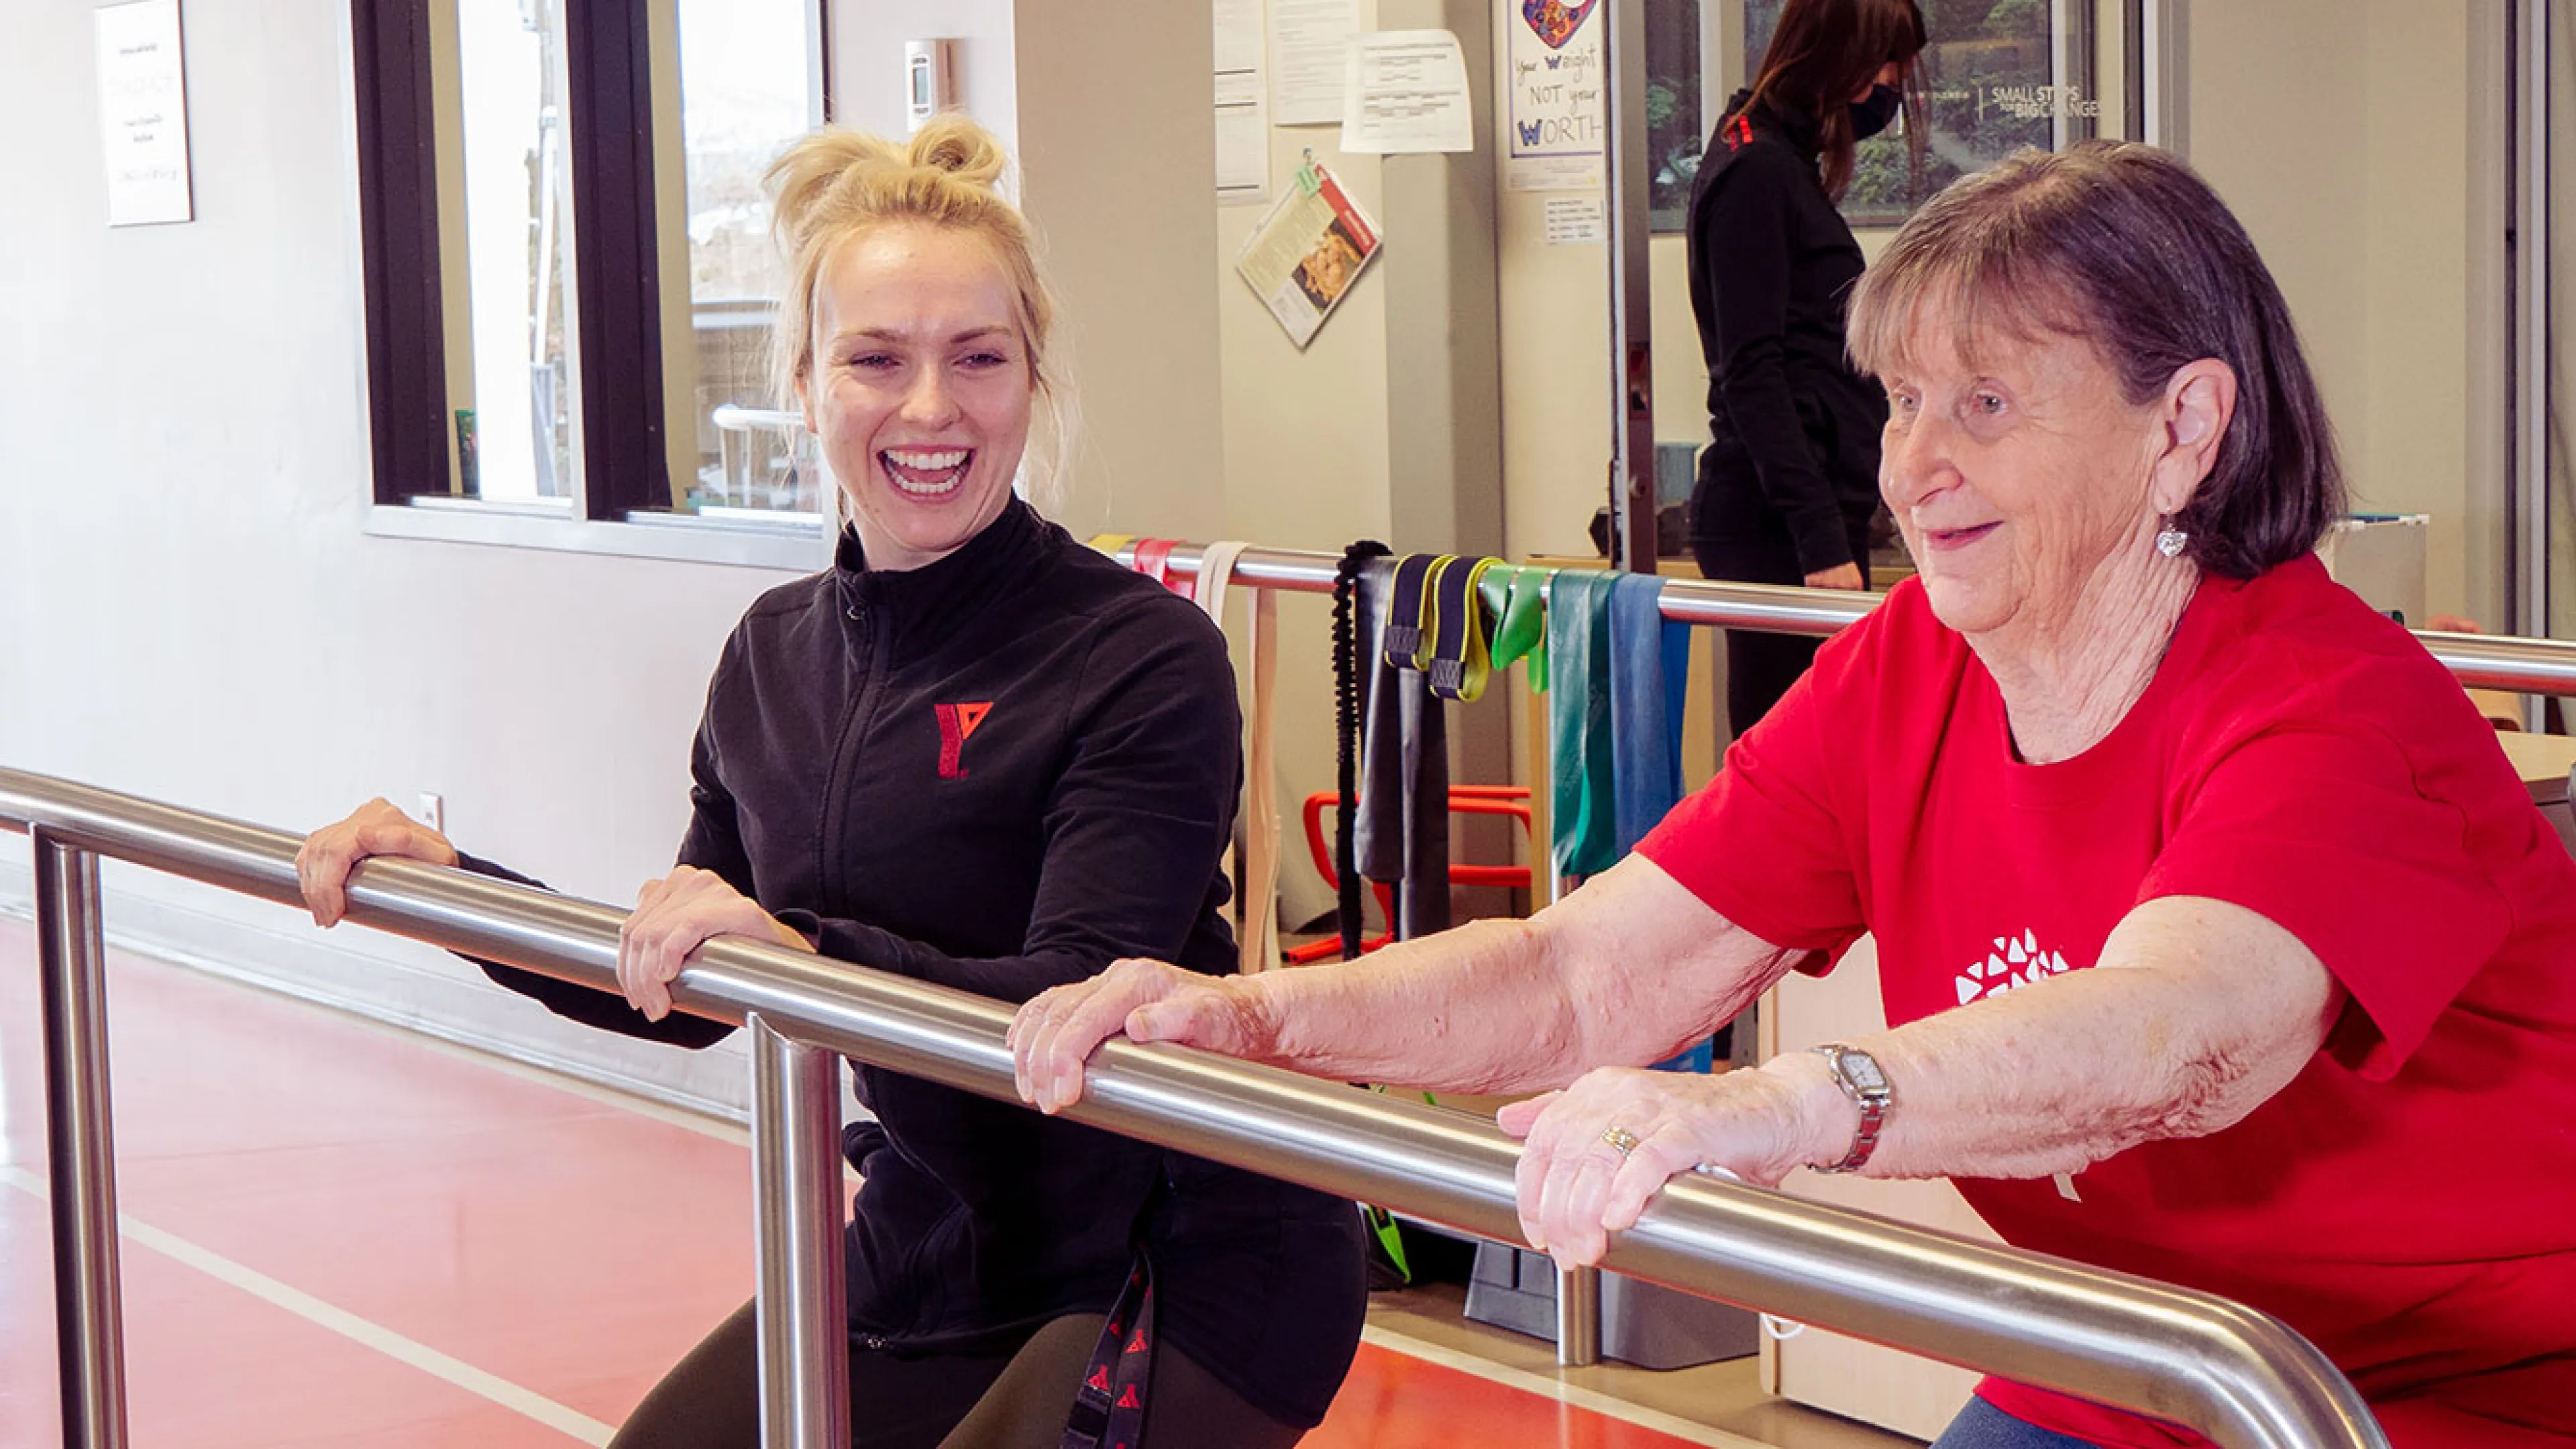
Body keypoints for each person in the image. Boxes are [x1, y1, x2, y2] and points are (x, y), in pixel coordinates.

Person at [1013, 142, 2576, 1449]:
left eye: (1983, 406)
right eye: (1901, 402)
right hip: (2148, 1353)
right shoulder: (1913, 669)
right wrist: (1257, 1017)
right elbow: (1591, 967)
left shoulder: (2329, 706)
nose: (1911, 466)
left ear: (2183, 428)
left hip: (2457, 1383)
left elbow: (2180, 1035)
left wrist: (1778, 1103)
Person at [297, 117, 1366, 1449]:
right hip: (932, 1252)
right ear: (805, 381)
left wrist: (798, 952)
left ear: (1033, 378)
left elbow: (1070, 1003)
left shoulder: (1140, 656)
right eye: (876, 359)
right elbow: (688, 989)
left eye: (978, 358)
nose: (931, 409)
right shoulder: (771, 658)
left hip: (1180, 1257)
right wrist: (459, 897)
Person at [1687, 0, 1925, 737]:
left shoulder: (1782, 166)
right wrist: (1819, 539)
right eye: (1885, 63)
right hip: (1779, 531)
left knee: (1825, 754)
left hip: (1805, 517)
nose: (1891, 83)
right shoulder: (1756, 172)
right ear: (1839, 57)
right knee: (1790, 761)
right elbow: (1751, 370)